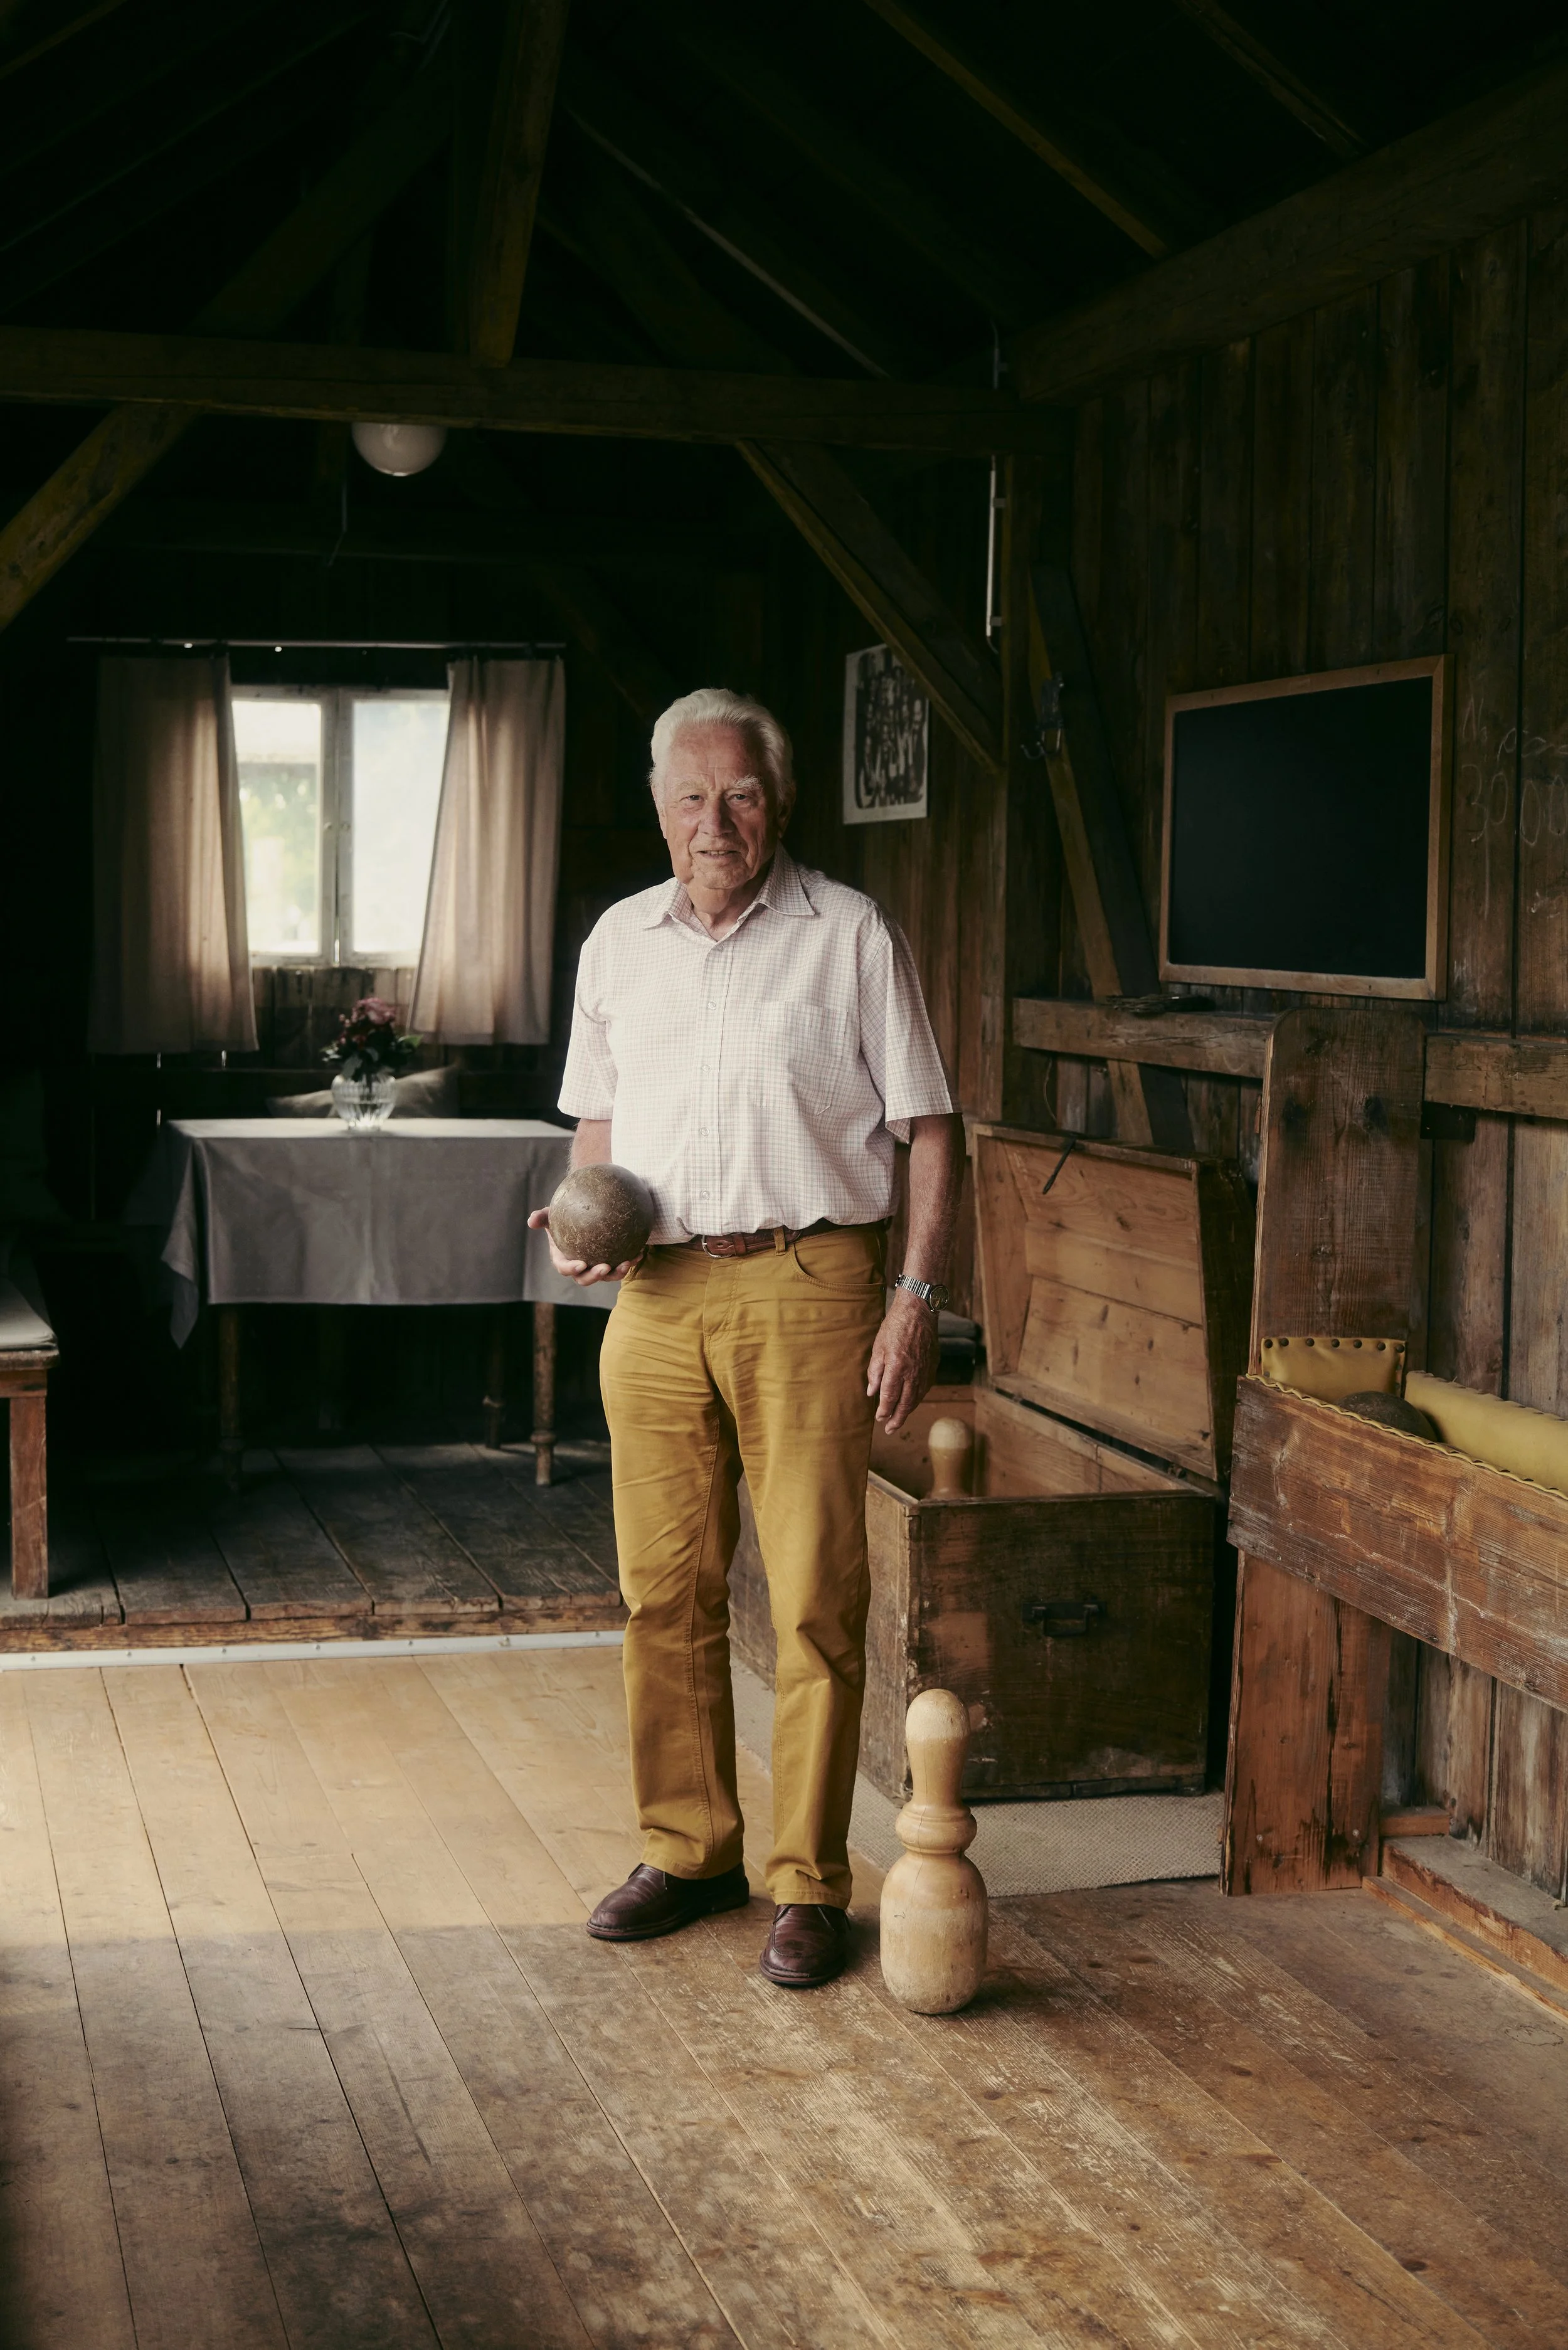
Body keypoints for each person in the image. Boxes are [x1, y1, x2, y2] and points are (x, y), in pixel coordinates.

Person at [530, 686, 963, 1987]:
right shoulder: (617, 943)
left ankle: (806, 1880)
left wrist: (914, 1298)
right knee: (660, 1589)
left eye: (739, 794)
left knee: (816, 1594)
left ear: (777, 801)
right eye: (689, 797)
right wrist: (573, 1222)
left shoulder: (848, 935)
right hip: (655, 1296)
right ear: (657, 808)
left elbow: (929, 1128)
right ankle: (688, 1846)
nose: (713, 821)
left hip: (811, 1283)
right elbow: (596, 1132)